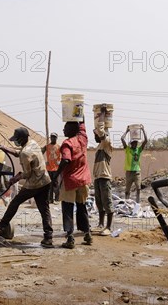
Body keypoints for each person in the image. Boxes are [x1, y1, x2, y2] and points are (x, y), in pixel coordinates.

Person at [0, 128, 54, 248]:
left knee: (15, 203)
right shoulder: (33, 144)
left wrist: (13, 179)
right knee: (44, 209)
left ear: (21, 139)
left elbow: (27, 174)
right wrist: (4, 148)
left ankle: (1, 226)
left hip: (34, 183)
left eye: (16, 140)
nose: (15, 142)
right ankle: (48, 237)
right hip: (45, 181)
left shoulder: (26, 153)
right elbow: (19, 153)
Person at [53, 121, 92, 249]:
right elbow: (82, 125)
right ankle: (87, 234)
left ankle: (70, 237)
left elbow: (66, 159)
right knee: (82, 207)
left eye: (65, 128)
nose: (63, 130)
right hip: (83, 180)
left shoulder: (67, 144)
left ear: (71, 129)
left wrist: (56, 174)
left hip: (70, 180)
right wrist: (78, 111)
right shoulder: (83, 139)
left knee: (67, 208)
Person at [92, 107, 114, 236]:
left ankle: (108, 227)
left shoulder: (107, 144)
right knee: (99, 202)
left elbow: (101, 131)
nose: (95, 136)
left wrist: (103, 114)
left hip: (105, 177)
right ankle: (101, 223)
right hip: (98, 177)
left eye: (96, 134)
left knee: (107, 202)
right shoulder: (99, 147)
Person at [121, 125, 148, 203]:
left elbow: (146, 141)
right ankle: (126, 203)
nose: (135, 144)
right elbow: (122, 139)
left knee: (138, 188)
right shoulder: (127, 149)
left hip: (136, 172)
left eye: (136, 143)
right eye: (134, 143)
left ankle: (137, 203)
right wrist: (127, 131)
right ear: (131, 144)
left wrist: (143, 130)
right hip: (129, 172)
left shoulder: (139, 150)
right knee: (127, 190)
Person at [41, 132, 61, 204]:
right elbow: (40, 153)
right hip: (49, 168)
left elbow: (64, 155)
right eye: (52, 137)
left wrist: (60, 162)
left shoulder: (59, 147)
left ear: (56, 138)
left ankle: (57, 199)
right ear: (50, 138)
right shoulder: (47, 146)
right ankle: (50, 199)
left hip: (56, 168)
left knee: (56, 184)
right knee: (49, 184)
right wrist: (43, 162)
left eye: (54, 137)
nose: (53, 138)